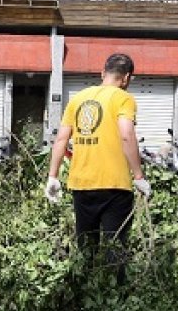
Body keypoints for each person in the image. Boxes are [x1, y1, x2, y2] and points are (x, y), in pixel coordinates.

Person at [44, 53, 151, 283]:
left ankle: (85, 294)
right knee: (115, 247)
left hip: (81, 184)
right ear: (126, 78)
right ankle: (113, 297)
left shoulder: (78, 98)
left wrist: (52, 177)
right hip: (114, 186)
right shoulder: (123, 98)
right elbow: (126, 134)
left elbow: (61, 139)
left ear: (103, 73)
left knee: (86, 247)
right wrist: (139, 176)